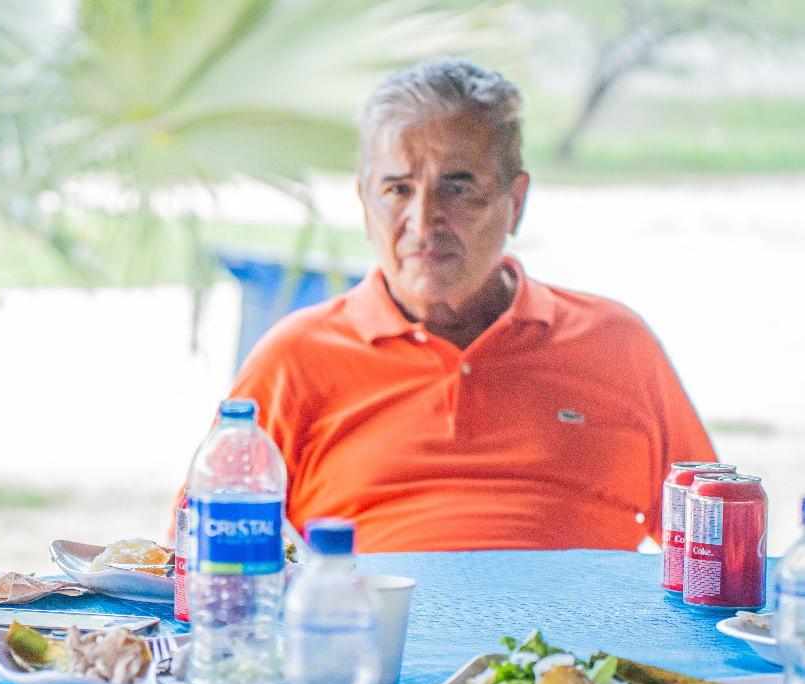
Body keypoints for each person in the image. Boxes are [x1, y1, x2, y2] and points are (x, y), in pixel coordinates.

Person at [222, 58, 715, 552]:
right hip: (367, 626)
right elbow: (200, 558)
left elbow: (711, 545)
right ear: (365, 204)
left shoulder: (615, 343)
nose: (423, 220)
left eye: (457, 188)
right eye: (397, 190)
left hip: (579, 631)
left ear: (515, 203)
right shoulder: (296, 357)